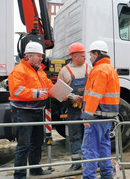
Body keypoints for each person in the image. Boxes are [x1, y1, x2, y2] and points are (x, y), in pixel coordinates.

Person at [8, 42, 53, 179]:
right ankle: (20, 175)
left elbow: (49, 87)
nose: (41, 59)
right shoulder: (19, 70)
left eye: (41, 56)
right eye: (39, 56)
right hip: (23, 112)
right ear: (28, 56)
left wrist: (63, 93)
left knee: (37, 142)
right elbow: (16, 90)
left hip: (37, 111)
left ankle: (35, 169)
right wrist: (35, 93)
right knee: (24, 145)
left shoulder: (40, 71)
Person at [81, 40, 120, 179]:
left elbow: (95, 94)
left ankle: (89, 177)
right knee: (104, 147)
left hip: (96, 116)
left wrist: (87, 115)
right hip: (107, 117)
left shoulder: (99, 70)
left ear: (97, 54)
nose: (89, 57)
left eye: (91, 54)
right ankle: (106, 175)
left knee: (90, 150)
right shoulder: (110, 69)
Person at [58, 42, 92, 172]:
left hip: (88, 108)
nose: (85, 58)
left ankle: (90, 162)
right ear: (75, 56)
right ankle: (76, 163)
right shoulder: (65, 71)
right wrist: (73, 97)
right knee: (75, 136)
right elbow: (60, 91)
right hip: (73, 109)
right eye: (82, 56)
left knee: (89, 136)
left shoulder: (89, 68)